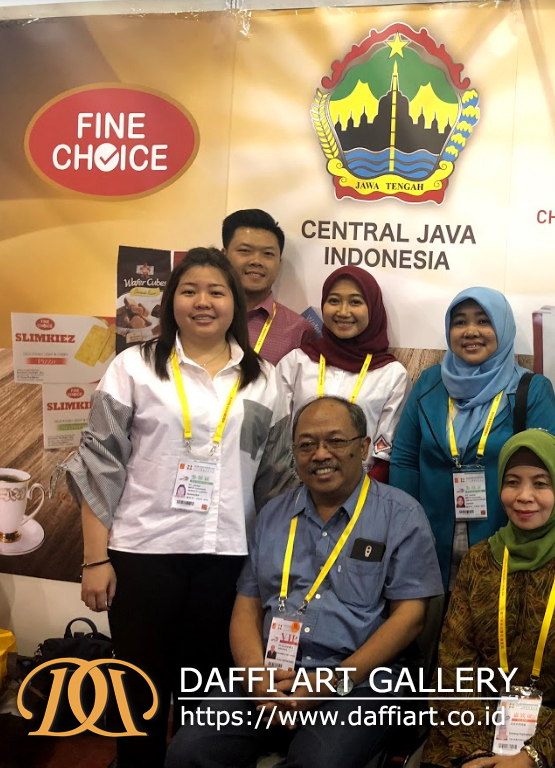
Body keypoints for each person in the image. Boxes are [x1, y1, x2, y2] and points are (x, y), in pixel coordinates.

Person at [68, 247, 295, 768]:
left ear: (235, 303)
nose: (203, 302)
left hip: (229, 559)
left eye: (216, 291)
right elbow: (100, 464)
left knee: (206, 701)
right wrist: (95, 559)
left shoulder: (265, 379)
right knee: (139, 694)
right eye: (190, 291)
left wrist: (273, 571)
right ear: (172, 301)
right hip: (143, 553)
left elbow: (276, 480)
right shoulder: (134, 367)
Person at [166, 396, 444, 768]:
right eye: (307, 444)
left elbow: (410, 618)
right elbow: (247, 606)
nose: (320, 454)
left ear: (363, 447)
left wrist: (331, 682)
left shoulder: (402, 515)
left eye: (336, 441)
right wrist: (254, 677)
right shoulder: (273, 514)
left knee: (316, 763)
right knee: (187, 752)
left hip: (358, 681)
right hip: (272, 672)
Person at [422, 429, 555, 768]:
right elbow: (454, 668)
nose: (523, 496)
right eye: (512, 482)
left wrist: (532, 756)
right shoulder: (480, 561)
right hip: (475, 734)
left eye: (541, 484)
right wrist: (477, 752)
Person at [391, 287, 555, 589]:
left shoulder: (532, 390)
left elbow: (543, 472)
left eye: (483, 321)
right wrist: (405, 529)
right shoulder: (429, 383)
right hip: (429, 543)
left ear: (503, 327)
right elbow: (405, 461)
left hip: (504, 543)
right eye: (460, 322)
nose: (471, 331)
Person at [276, 266, 410, 483]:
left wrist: (358, 494)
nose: (343, 311)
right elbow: (276, 438)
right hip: (295, 485)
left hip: (361, 490)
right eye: (334, 301)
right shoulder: (296, 362)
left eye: (355, 302)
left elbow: (385, 455)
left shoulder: (392, 375)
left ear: (373, 308)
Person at [223, 208, 313, 364]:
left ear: (279, 263)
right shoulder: (201, 315)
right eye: (245, 251)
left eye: (268, 254)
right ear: (223, 256)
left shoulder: (299, 331)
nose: (256, 261)